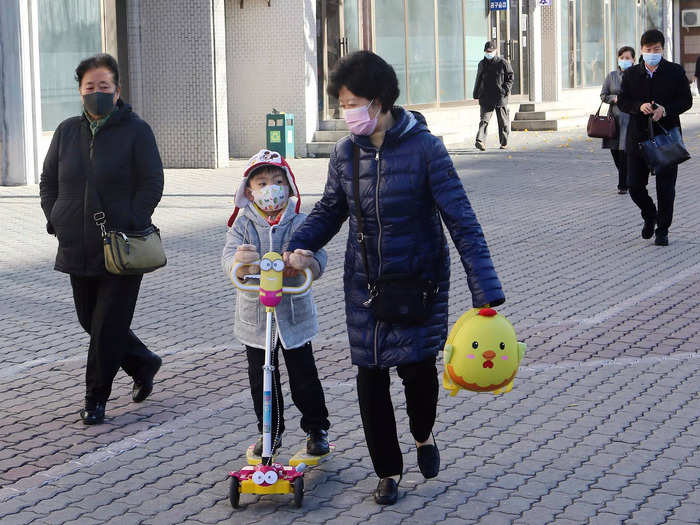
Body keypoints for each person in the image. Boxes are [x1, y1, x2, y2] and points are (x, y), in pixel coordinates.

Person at [285, 51, 505, 505]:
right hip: (365, 284)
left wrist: (484, 291)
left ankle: (423, 434)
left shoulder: (426, 148)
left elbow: (460, 219)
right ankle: (388, 471)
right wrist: (303, 245)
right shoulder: (346, 153)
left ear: (381, 101)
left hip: (419, 281)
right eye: (342, 104)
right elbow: (331, 208)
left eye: (353, 103)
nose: (348, 113)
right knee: (370, 378)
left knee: (418, 374)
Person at [39, 54, 164, 425]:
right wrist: (55, 218)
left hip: (123, 246)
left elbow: (152, 182)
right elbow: (48, 182)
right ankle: (143, 362)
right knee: (89, 319)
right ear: (80, 91)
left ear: (117, 90)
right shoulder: (66, 131)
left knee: (107, 324)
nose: (97, 93)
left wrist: (131, 221)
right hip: (78, 243)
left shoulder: (136, 130)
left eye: (104, 86)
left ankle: (96, 398)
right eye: (90, 87)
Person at [222, 149, 331, 457]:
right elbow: (229, 257)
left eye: (277, 181)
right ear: (249, 191)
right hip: (256, 317)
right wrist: (241, 265)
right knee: (262, 378)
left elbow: (319, 254)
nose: (270, 188)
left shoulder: (300, 221)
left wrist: (306, 262)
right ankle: (270, 430)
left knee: (304, 376)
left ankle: (316, 428)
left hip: (293, 315)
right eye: (262, 182)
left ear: (288, 185)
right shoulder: (243, 224)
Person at [618, 29, 693, 246]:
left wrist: (665, 109)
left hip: (666, 137)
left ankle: (663, 229)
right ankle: (650, 215)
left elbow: (686, 101)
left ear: (662, 49)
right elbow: (623, 101)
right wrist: (637, 106)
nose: (652, 53)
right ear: (641, 50)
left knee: (666, 188)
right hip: (638, 139)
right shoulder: (631, 74)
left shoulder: (675, 71)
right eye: (648, 49)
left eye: (656, 49)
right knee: (634, 186)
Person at [600, 46, 635, 194]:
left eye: (628, 58)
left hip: (630, 118)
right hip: (614, 119)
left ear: (633, 60)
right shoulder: (612, 76)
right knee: (615, 152)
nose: (625, 60)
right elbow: (603, 95)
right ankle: (627, 177)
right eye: (622, 57)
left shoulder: (637, 75)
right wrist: (612, 98)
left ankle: (623, 185)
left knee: (624, 152)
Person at [473, 41, 514, 151]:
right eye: (487, 51)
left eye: (490, 51)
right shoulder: (482, 64)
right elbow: (478, 79)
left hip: (500, 98)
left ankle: (504, 142)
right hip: (486, 97)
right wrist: (476, 93)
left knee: (503, 122)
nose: (488, 53)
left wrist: (505, 90)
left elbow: (510, 78)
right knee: (484, 121)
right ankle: (480, 141)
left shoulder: (503, 63)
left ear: (495, 51)